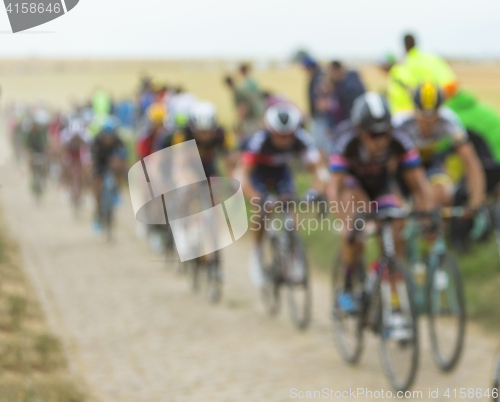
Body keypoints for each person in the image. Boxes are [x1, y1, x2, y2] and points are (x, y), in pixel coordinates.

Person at [328, 92, 433, 312]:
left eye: (384, 133)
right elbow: (334, 188)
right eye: (373, 135)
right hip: (352, 187)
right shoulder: (345, 141)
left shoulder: (399, 139)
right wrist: (345, 222)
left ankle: (387, 273)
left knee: (398, 221)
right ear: (359, 131)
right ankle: (347, 286)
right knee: (356, 228)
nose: (381, 140)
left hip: (381, 186)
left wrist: (428, 214)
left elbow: (419, 183)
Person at [240, 103, 329, 287]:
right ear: (270, 130)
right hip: (259, 175)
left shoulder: (302, 138)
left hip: (282, 173)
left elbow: (319, 171)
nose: (284, 140)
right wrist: (257, 198)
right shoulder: (259, 141)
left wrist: (314, 192)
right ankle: (256, 255)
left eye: (288, 135)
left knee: (290, 207)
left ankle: (295, 256)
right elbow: (243, 176)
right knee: (263, 211)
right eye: (279, 135)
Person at [394, 83, 486, 210]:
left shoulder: (448, 120)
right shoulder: (400, 123)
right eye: (423, 118)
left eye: (433, 118)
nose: (428, 124)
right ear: (414, 111)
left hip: (429, 162)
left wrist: (476, 202)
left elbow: (470, 160)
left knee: (442, 195)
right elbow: (388, 165)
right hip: (401, 167)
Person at [161, 100, 237, 178]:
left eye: (207, 132)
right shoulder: (183, 135)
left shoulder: (222, 135)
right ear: (192, 128)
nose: (204, 136)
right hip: (190, 164)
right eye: (200, 132)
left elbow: (232, 159)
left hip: (209, 163)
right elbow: (178, 163)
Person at [90, 117, 128, 231]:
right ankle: (98, 210)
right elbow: (93, 159)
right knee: (97, 182)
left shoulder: (119, 142)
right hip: (100, 164)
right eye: (106, 136)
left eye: (110, 136)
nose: (108, 139)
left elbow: (123, 158)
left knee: (121, 169)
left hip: (113, 164)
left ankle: (117, 191)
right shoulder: (96, 142)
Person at [299, 55, 329, 152]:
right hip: (318, 116)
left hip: (321, 117)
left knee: (321, 144)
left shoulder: (319, 78)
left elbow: (321, 100)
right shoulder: (316, 77)